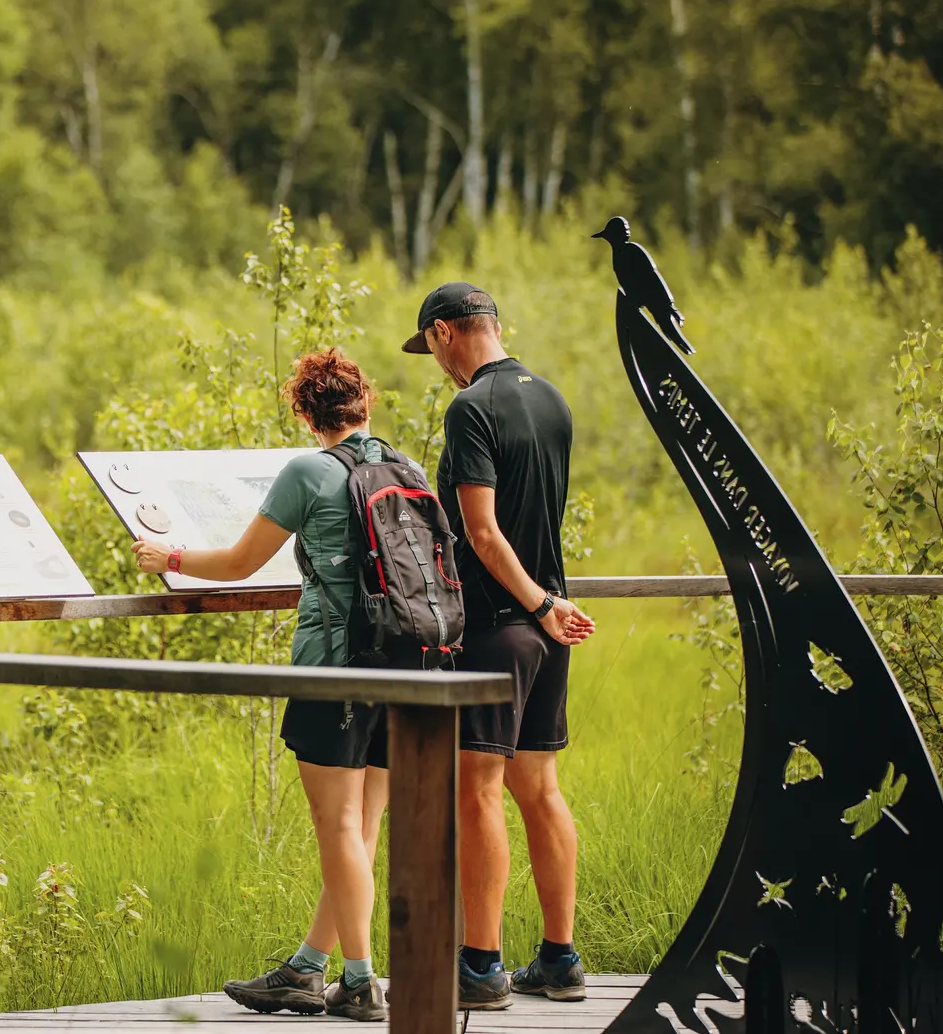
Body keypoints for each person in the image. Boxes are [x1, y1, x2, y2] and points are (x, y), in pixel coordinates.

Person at [130, 348, 392, 1023]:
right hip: (404, 670)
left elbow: (243, 562)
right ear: (366, 403)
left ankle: (360, 981)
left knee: (336, 825)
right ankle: (309, 968)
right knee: (360, 830)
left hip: (332, 666)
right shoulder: (399, 464)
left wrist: (172, 557)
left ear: (306, 412)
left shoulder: (308, 469)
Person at [400, 281, 597, 1008]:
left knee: (478, 791)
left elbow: (483, 532)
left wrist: (536, 605)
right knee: (539, 789)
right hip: (550, 621)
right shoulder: (551, 399)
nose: (436, 363)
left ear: (448, 333)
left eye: (431, 348)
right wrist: (550, 603)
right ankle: (559, 958)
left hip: (503, 624)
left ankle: (480, 967)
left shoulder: (471, 408)